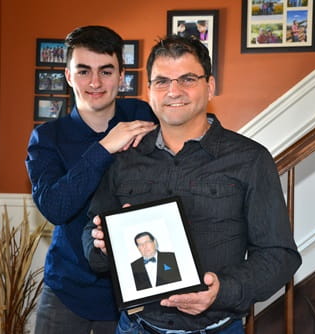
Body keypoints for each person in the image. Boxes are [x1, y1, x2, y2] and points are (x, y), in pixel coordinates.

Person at [82, 35, 302, 334]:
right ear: (149, 91)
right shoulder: (124, 157)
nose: (174, 91)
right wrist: (102, 247)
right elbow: (90, 238)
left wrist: (222, 290)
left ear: (209, 86)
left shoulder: (250, 159)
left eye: (187, 79)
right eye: (161, 81)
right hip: (137, 326)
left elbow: (280, 256)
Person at [25, 25, 158, 334]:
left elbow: (191, 128)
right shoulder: (47, 138)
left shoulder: (142, 114)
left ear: (121, 75)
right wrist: (104, 147)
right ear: (69, 76)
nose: (95, 82)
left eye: (106, 71)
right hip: (67, 290)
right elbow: (55, 208)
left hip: (136, 288)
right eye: (83, 71)